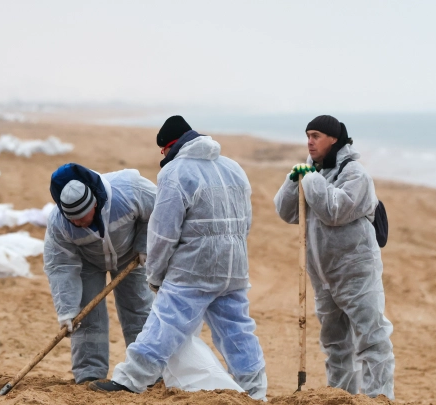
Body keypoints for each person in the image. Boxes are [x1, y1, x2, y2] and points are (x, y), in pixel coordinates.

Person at [89, 116, 268, 400]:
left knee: (164, 323)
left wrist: (156, 276)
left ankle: (131, 380)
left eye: (163, 151)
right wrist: (232, 253)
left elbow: (163, 232)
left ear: (169, 147)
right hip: (234, 266)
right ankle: (256, 391)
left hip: (193, 269)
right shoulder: (233, 168)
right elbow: (246, 221)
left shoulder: (176, 172)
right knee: (237, 330)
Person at [273, 115, 394, 399]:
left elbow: (335, 210)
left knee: (371, 338)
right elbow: (287, 212)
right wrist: (294, 182)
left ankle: (379, 397)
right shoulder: (316, 172)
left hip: (356, 272)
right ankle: (340, 395)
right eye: (307, 135)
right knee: (335, 343)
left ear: (334, 139)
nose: (309, 141)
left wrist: (311, 179)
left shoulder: (355, 174)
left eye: (316, 135)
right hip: (324, 276)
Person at [44, 163, 156, 384]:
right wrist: (66, 310)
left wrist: (145, 245)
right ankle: (89, 375)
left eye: (82, 217)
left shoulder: (129, 190)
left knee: (139, 310)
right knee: (86, 317)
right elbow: (60, 265)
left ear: (94, 203)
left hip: (130, 254)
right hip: (87, 261)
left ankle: (147, 372)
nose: (77, 223)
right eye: (72, 219)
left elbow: (159, 211)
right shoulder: (59, 223)